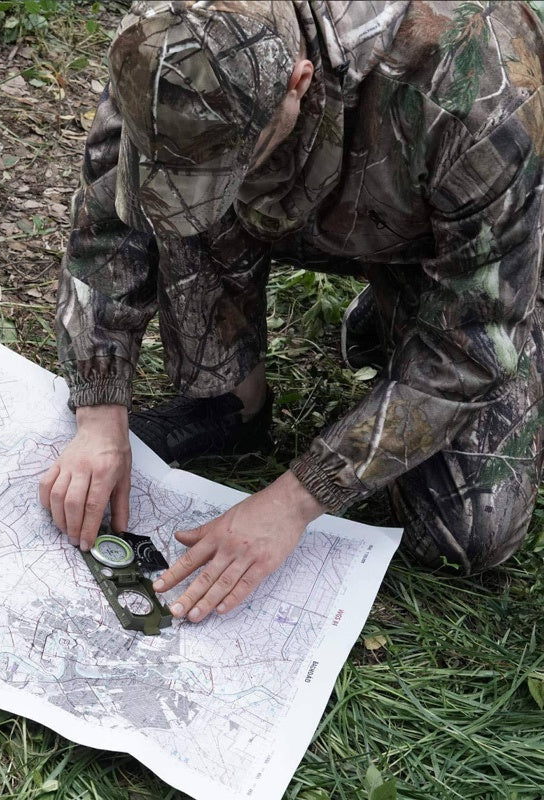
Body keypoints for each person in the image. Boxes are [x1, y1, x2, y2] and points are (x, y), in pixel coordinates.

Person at [39, 0, 544, 624]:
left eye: (226, 166)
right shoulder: (176, 35)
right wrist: (99, 411)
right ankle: (231, 398)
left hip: (464, 238)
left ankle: (404, 311)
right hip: (323, 195)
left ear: (296, 82)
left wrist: (294, 502)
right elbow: (108, 224)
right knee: (180, 196)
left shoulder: (477, 97)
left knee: (468, 532)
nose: (191, 193)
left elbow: (472, 345)